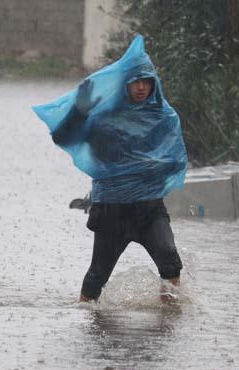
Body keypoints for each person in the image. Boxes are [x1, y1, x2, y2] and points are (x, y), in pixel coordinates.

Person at [33, 35, 187, 302]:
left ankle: (168, 316)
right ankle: (87, 316)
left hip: (149, 209)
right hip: (112, 209)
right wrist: (79, 112)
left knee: (170, 260)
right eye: (135, 81)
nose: (141, 87)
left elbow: (175, 159)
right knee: (97, 275)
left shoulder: (163, 117)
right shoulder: (104, 119)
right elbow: (64, 138)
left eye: (146, 81)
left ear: (154, 84)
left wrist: (155, 165)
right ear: (125, 84)